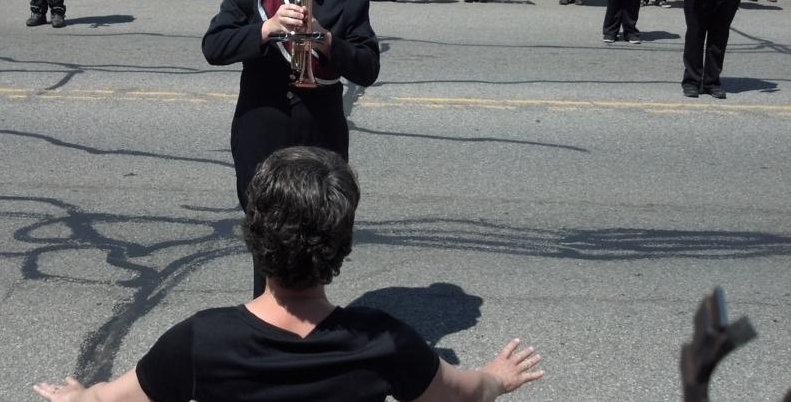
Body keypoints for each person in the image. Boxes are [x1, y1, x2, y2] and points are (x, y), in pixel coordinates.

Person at [34, 146, 544, 402]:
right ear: (342, 243)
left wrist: (79, 396)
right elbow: (458, 393)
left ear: (255, 236)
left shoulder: (202, 339)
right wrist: (498, 378)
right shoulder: (382, 340)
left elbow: (115, 399)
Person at [202, 0, 380, 296]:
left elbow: (368, 68)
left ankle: (310, 322)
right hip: (262, 124)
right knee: (265, 229)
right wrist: (265, 28)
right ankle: (265, 319)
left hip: (321, 127)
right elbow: (213, 48)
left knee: (319, 228)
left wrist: (325, 37)